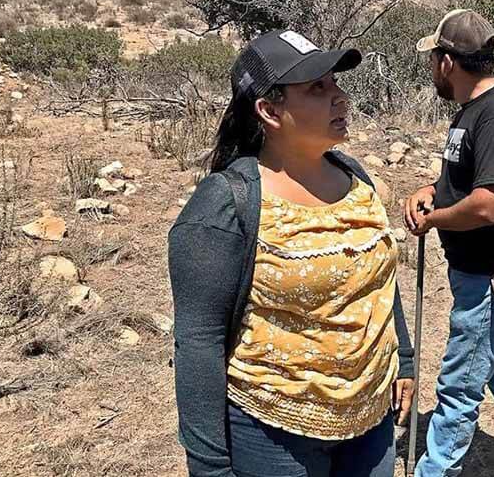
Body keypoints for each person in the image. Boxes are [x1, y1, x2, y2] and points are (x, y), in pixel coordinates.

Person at [168, 29, 415, 477]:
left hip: (371, 420)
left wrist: (407, 361)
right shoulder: (225, 204)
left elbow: (378, 279)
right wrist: (208, 468)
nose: (339, 97)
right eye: (317, 87)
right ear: (270, 110)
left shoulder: (355, 178)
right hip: (273, 431)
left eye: (335, 83)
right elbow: (199, 343)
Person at [404, 10, 494, 477]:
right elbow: (465, 180)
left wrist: (435, 221)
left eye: (433, 58)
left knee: (459, 385)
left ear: (448, 62)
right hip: (483, 273)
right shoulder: (471, 111)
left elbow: (487, 204)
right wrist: (431, 191)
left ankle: (435, 471)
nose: (431, 68)